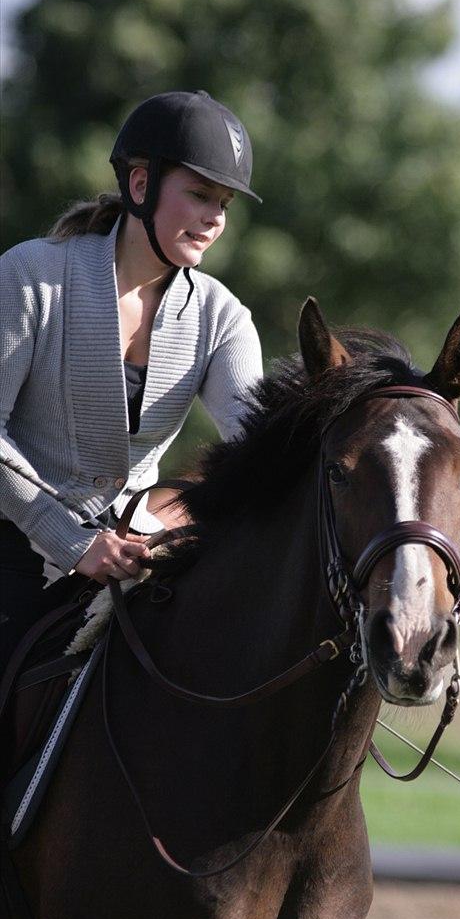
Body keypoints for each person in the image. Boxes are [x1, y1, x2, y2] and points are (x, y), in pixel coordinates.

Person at [0, 89, 264, 667]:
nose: (214, 218)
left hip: (129, 555)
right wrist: (72, 542)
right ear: (140, 185)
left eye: (224, 204)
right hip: (12, 549)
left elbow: (257, 444)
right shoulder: (30, 276)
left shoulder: (224, 319)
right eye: (199, 194)